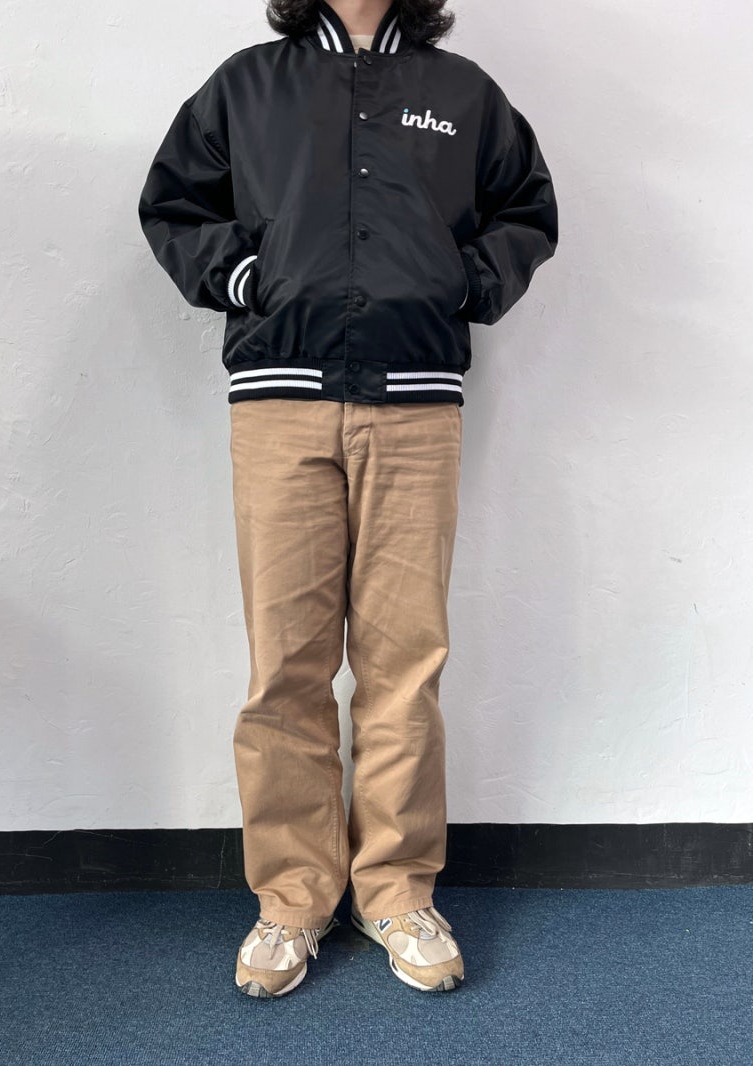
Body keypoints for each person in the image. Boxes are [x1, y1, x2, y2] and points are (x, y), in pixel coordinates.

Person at [138, 0, 557, 999]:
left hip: (415, 407)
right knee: (285, 665)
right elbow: (175, 205)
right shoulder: (248, 85)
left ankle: (396, 891)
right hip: (279, 403)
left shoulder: (462, 95)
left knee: (404, 664)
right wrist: (248, 277)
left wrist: (460, 281)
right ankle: (291, 898)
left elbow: (526, 213)